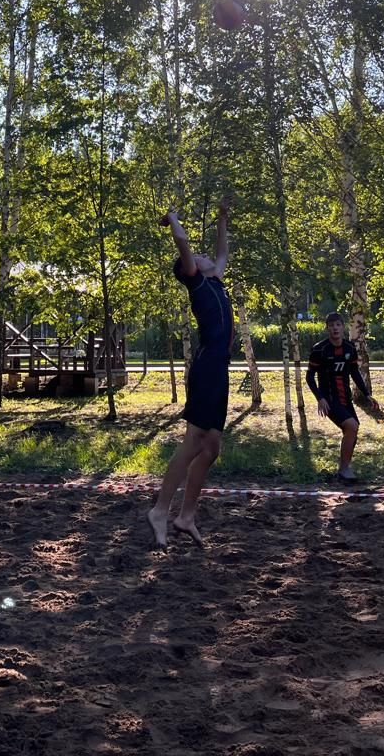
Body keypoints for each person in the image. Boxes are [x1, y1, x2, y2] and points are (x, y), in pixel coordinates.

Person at [146, 197, 233, 548]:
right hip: (207, 365)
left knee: (211, 449)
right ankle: (159, 510)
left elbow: (223, 252)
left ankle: (185, 516)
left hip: (220, 368)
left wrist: (223, 219)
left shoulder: (215, 281)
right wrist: (172, 218)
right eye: (197, 258)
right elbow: (183, 244)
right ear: (191, 268)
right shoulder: (197, 283)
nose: (205, 257)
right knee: (195, 440)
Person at [307, 312, 379, 483]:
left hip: (345, 398)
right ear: (327, 328)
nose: (335, 328)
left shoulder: (349, 348)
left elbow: (354, 372)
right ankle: (345, 469)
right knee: (352, 427)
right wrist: (320, 398)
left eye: (338, 325)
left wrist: (367, 394)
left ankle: (343, 468)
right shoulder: (319, 349)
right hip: (329, 399)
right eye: (331, 325)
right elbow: (310, 377)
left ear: (343, 326)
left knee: (353, 430)